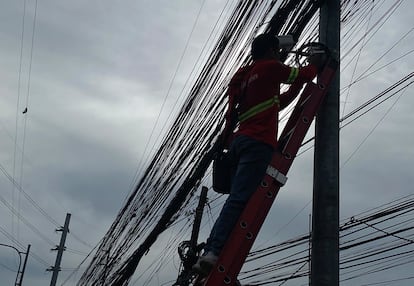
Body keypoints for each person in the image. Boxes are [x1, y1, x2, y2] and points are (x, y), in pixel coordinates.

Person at [193, 33, 324, 276]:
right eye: (278, 51)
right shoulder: (270, 68)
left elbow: (279, 102)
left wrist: (299, 82)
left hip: (239, 143)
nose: (280, 55)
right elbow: (302, 74)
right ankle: (214, 251)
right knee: (240, 201)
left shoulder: (246, 77)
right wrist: (316, 62)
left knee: (236, 201)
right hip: (257, 143)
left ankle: (213, 248)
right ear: (272, 51)